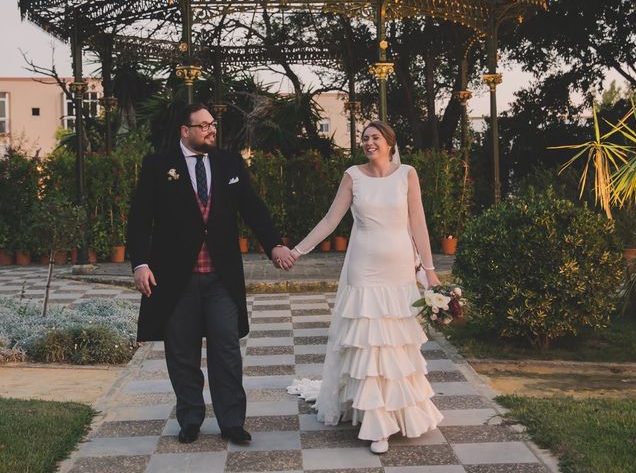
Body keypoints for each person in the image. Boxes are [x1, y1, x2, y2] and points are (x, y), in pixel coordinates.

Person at [127, 103, 296, 445]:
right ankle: (190, 419)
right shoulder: (158, 166)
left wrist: (274, 245)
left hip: (221, 278)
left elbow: (252, 207)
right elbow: (140, 219)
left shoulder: (229, 163)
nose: (211, 130)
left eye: (212, 124)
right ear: (184, 131)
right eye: (203, 125)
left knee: (227, 352)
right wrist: (140, 264)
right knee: (182, 354)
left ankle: (232, 422)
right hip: (176, 279)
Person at [289, 120, 444, 454]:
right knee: (369, 343)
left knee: (395, 343)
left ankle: (401, 412)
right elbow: (331, 220)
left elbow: (418, 223)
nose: (369, 142)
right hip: (363, 267)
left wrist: (429, 271)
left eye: (375, 137)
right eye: (364, 138)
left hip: (399, 268)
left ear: (390, 143)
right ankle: (377, 427)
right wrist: (297, 250)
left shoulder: (407, 174)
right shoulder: (352, 175)